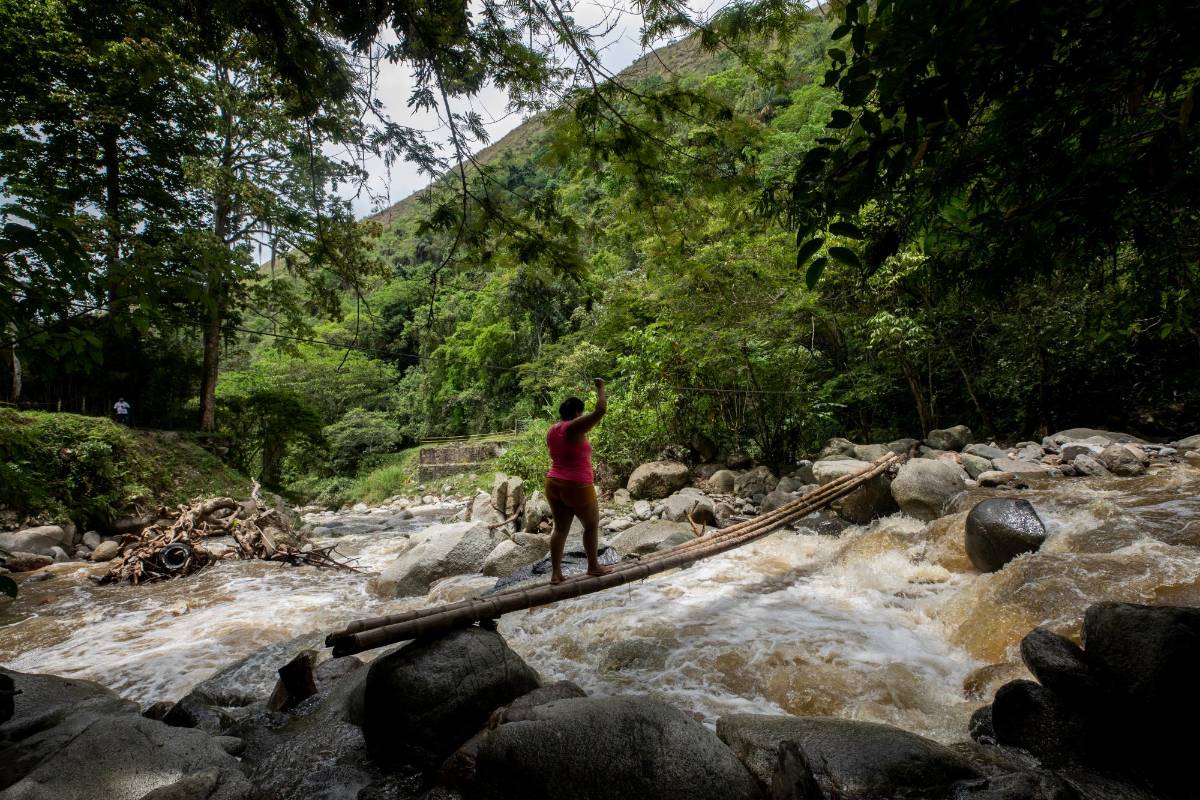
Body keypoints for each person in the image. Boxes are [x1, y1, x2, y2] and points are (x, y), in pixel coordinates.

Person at [545, 378, 612, 585]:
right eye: (581, 413)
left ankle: (556, 574)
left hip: (554, 482)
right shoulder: (573, 427)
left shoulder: (552, 429)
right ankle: (593, 566)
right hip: (576, 485)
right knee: (591, 526)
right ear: (576, 413)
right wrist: (601, 387)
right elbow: (600, 410)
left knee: (560, 529)